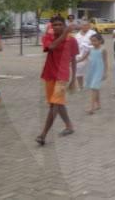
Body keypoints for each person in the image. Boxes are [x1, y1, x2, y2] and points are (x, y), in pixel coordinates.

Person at [36, 16, 79, 146]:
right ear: (51, 26)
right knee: (55, 104)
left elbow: (74, 59)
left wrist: (73, 79)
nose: (57, 27)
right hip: (49, 74)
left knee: (55, 104)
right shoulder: (48, 38)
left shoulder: (72, 41)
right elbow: (52, 47)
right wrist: (65, 33)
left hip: (62, 76)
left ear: (64, 25)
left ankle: (43, 134)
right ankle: (69, 126)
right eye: (54, 25)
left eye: (60, 24)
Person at [79, 33, 108, 114]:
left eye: (95, 41)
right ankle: (98, 105)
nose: (93, 43)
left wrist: (105, 73)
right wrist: (75, 61)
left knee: (94, 88)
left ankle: (92, 108)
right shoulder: (90, 49)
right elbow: (83, 58)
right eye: (91, 41)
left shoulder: (103, 50)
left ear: (100, 41)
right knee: (96, 88)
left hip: (99, 71)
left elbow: (105, 62)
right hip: (91, 70)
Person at [74, 20, 96, 90]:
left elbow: (97, 43)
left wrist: (90, 47)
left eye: (86, 25)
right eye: (83, 25)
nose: (85, 26)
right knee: (78, 70)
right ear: (80, 26)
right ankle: (81, 86)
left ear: (89, 26)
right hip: (79, 55)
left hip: (91, 54)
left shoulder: (93, 33)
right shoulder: (77, 35)